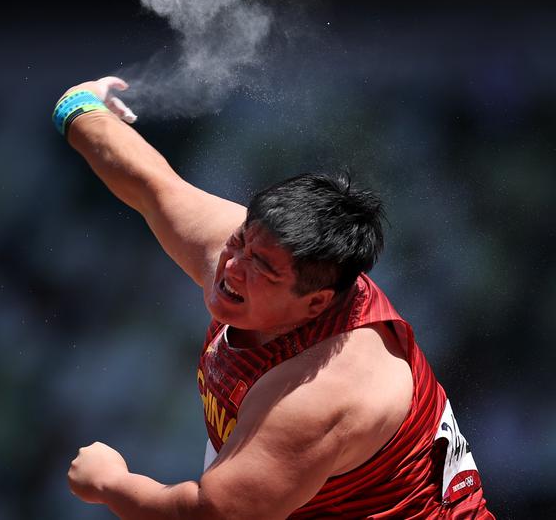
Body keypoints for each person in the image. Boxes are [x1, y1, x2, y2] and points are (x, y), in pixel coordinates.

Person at [56, 77, 494, 519]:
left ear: (316, 304)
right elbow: (150, 185)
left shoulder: (322, 393)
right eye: (240, 242)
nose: (231, 268)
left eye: (261, 267)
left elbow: (212, 514)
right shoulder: (248, 253)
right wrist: (78, 108)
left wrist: (112, 484)